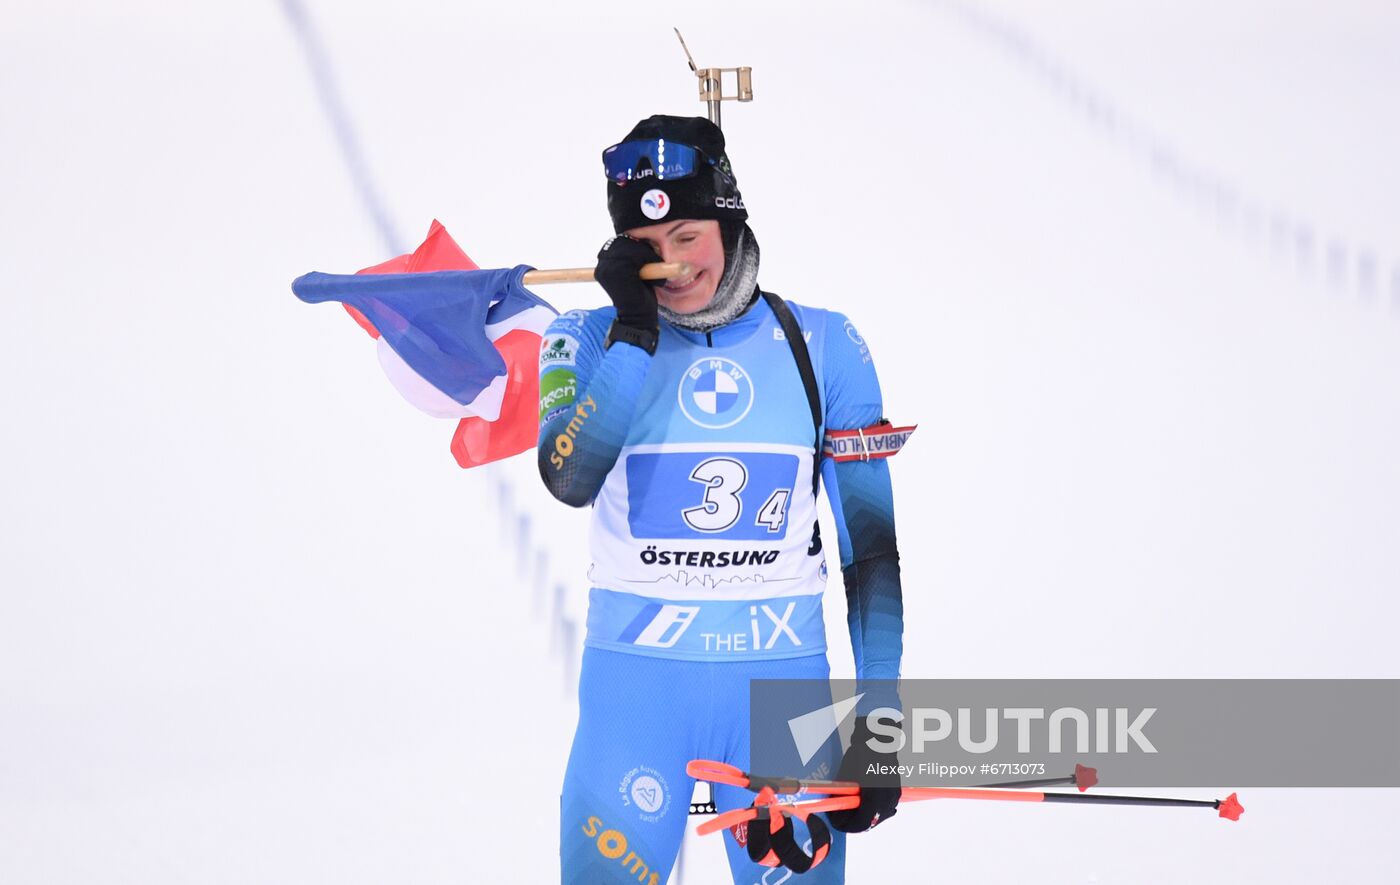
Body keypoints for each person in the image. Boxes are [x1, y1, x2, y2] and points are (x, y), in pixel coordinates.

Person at [538, 115, 907, 883]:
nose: (670, 265)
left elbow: (869, 553)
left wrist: (878, 721)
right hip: (634, 700)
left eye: (687, 234)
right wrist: (635, 336)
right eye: (644, 247)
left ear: (728, 218)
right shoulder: (581, 335)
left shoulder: (826, 343)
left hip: (783, 707)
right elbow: (568, 476)